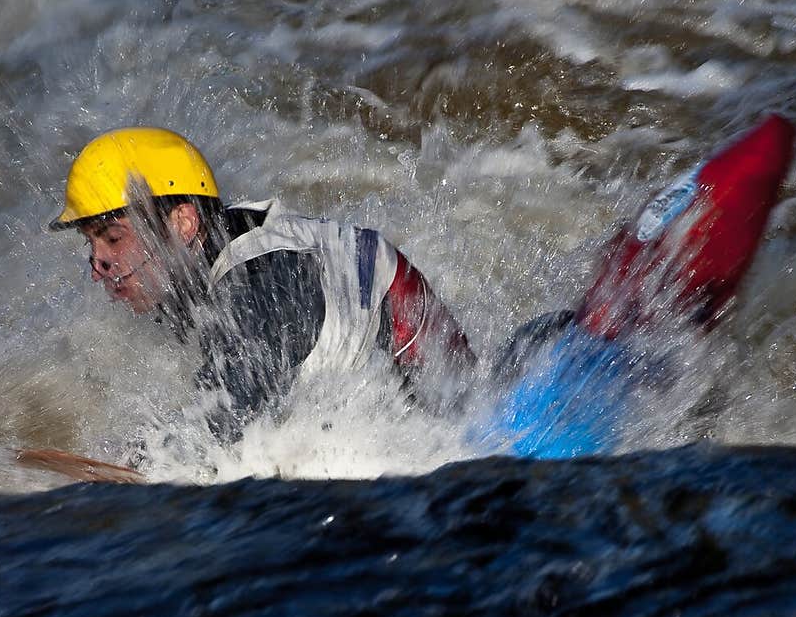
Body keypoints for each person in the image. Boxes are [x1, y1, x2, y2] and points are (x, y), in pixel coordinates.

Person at [49, 127, 478, 444]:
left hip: (435, 407)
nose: (98, 266)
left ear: (182, 223)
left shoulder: (259, 282)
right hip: (418, 368)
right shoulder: (212, 251)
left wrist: (150, 458)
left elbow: (226, 422)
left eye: (113, 238)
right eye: (91, 244)